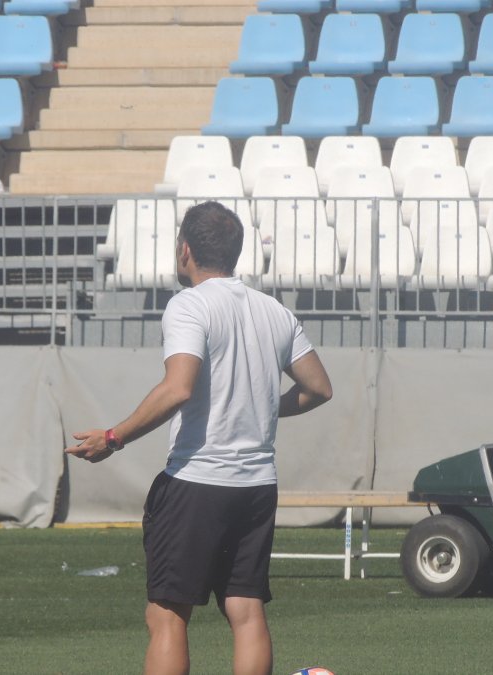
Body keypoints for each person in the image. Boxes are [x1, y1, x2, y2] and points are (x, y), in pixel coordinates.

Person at [65, 201, 333, 675]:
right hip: (256, 484)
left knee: (167, 614)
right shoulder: (274, 310)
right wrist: (265, 408)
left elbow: (178, 387)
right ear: (235, 252)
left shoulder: (188, 304)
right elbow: (318, 388)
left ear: (184, 249)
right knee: (246, 611)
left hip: (197, 480)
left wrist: (113, 437)